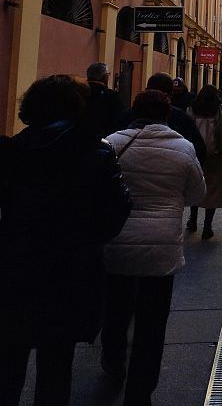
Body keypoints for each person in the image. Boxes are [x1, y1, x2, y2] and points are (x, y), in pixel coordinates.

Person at [0, 75, 131, 406]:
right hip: (71, 270)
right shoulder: (95, 154)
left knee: (8, 361)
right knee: (57, 363)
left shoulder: (10, 152)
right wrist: (87, 242)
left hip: (14, 268)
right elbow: (116, 212)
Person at [101, 89, 205, 406]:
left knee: (116, 307)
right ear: (167, 113)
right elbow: (197, 194)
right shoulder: (183, 147)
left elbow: (97, 189)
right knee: (153, 321)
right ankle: (140, 391)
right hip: (161, 247)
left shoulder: (111, 144)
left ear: (134, 110)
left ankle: (112, 359)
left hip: (116, 242)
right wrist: (170, 204)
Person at [186, 84, 222, 238]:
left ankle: (192, 221)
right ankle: (207, 227)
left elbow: (187, 129)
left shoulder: (192, 109)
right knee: (213, 190)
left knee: (195, 186)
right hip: (217, 155)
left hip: (196, 154)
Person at [86, 61, 127, 137]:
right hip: (103, 138)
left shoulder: (78, 92)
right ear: (105, 76)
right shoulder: (111, 96)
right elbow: (120, 119)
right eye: (108, 74)